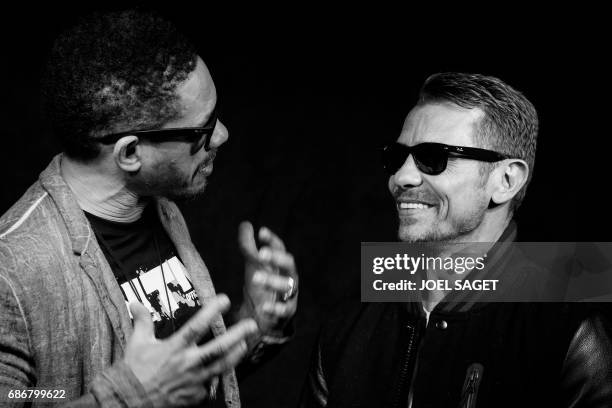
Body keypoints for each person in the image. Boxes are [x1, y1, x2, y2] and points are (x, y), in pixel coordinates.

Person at [0, 10, 298, 408]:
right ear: (131, 153)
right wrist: (127, 397)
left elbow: (181, 384)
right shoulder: (11, 270)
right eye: (201, 131)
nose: (222, 135)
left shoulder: (158, 206)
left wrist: (253, 326)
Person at [300, 73, 612, 407]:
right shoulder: (348, 327)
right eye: (396, 157)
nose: (401, 177)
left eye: (434, 157)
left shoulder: (568, 334)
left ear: (506, 180)